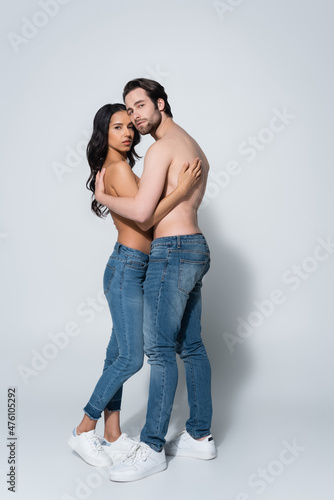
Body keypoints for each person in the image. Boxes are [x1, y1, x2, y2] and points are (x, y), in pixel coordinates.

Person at [94, 79, 217, 482]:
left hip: (172, 251)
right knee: (192, 347)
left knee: (160, 350)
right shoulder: (193, 145)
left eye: (141, 105)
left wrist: (104, 198)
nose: (135, 116)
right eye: (129, 111)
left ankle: (151, 448)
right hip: (197, 246)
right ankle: (200, 437)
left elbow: (144, 215)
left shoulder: (162, 149)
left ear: (161, 103)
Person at [68, 102, 202, 468]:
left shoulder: (121, 168)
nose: (128, 132)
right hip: (128, 268)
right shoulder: (118, 170)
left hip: (135, 267)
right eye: (117, 127)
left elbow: (144, 209)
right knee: (131, 357)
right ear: (103, 133)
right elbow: (145, 222)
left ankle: (111, 434)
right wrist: (181, 191)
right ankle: (83, 429)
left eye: (130, 126)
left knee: (117, 353)